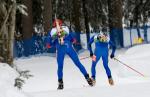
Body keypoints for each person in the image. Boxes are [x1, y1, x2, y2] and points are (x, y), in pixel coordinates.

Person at [46, 19, 93, 90]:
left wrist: (53, 43)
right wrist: (71, 40)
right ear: (61, 24)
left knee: (60, 67)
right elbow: (73, 39)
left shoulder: (52, 32)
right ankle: (88, 78)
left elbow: (48, 45)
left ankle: (60, 83)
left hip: (60, 49)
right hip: (69, 47)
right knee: (78, 64)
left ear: (54, 25)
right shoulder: (66, 29)